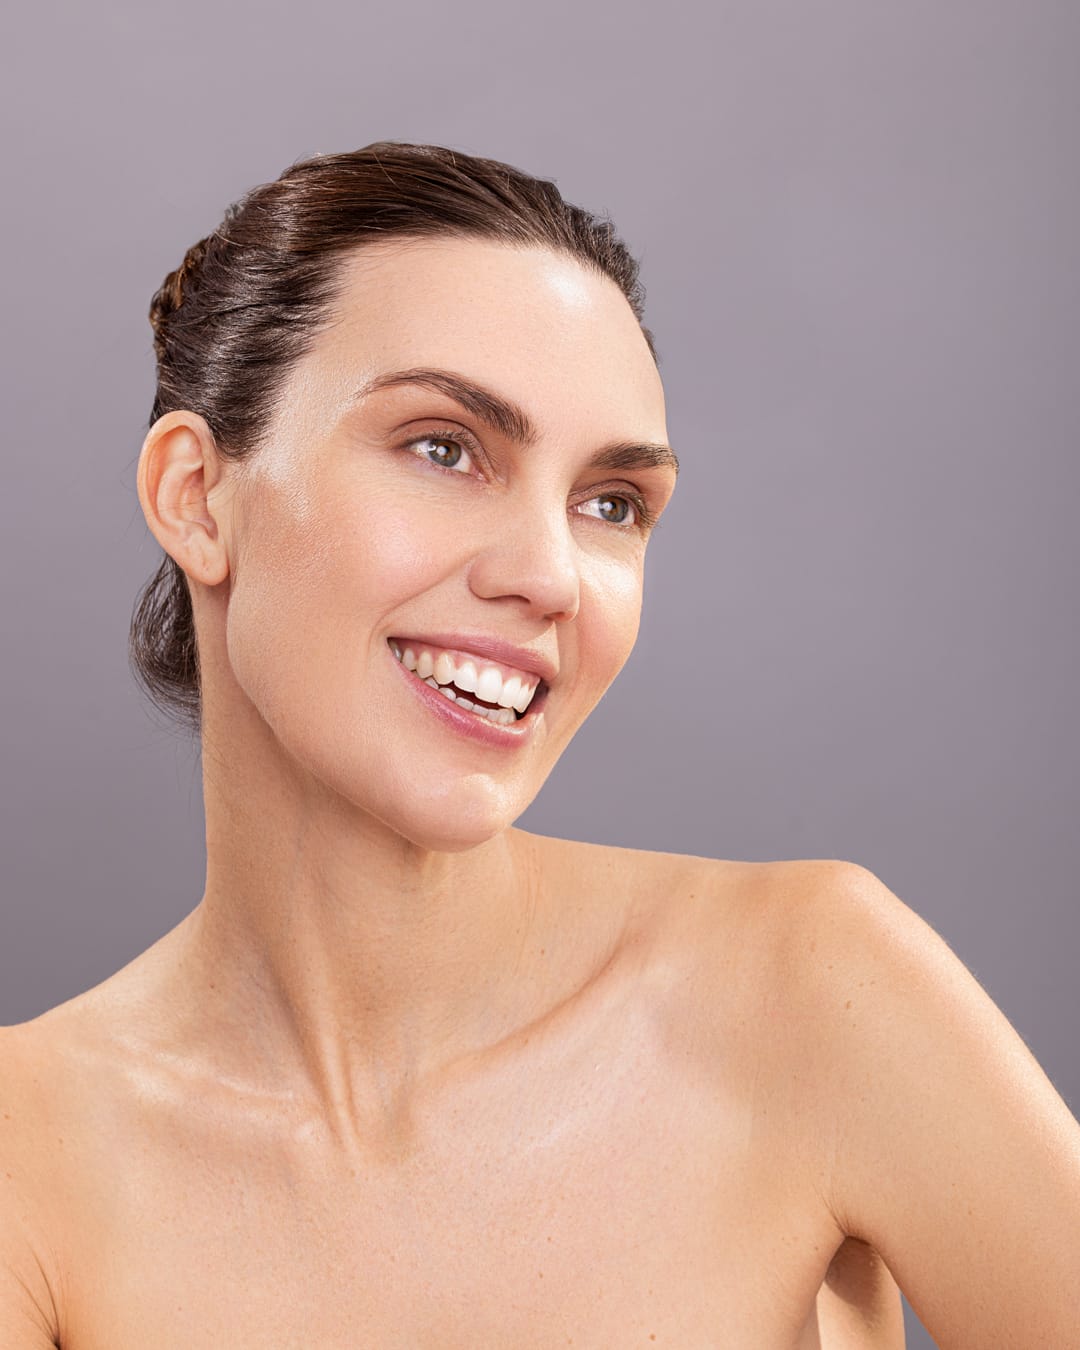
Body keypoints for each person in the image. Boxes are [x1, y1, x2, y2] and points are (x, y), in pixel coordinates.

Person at [1, 141, 1077, 1350]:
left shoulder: (811, 991)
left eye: (610, 504)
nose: (551, 576)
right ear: (197, 496)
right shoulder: (28, 1157)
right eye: (443, 448)